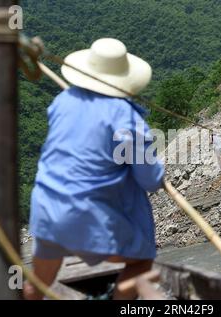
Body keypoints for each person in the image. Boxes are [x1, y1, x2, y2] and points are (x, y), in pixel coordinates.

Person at [23, 38, 165, 300]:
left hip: (47, 209)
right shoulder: (126, 117)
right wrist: (158, 165)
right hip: (88, 216)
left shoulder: (63, 100)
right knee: (141, 261)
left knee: (37, 283)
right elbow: (150, 179)